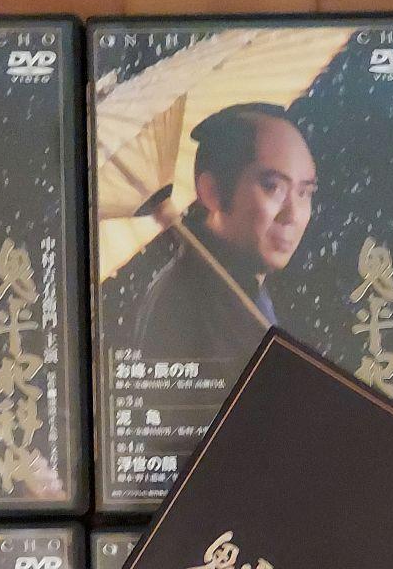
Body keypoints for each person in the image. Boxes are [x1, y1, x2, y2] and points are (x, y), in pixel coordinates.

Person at [134, 102, 316, 384]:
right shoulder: (191, 298)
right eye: (273, 187)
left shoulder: (239, 286)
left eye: (304, 193)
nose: (293, 215)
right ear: (212, 191)